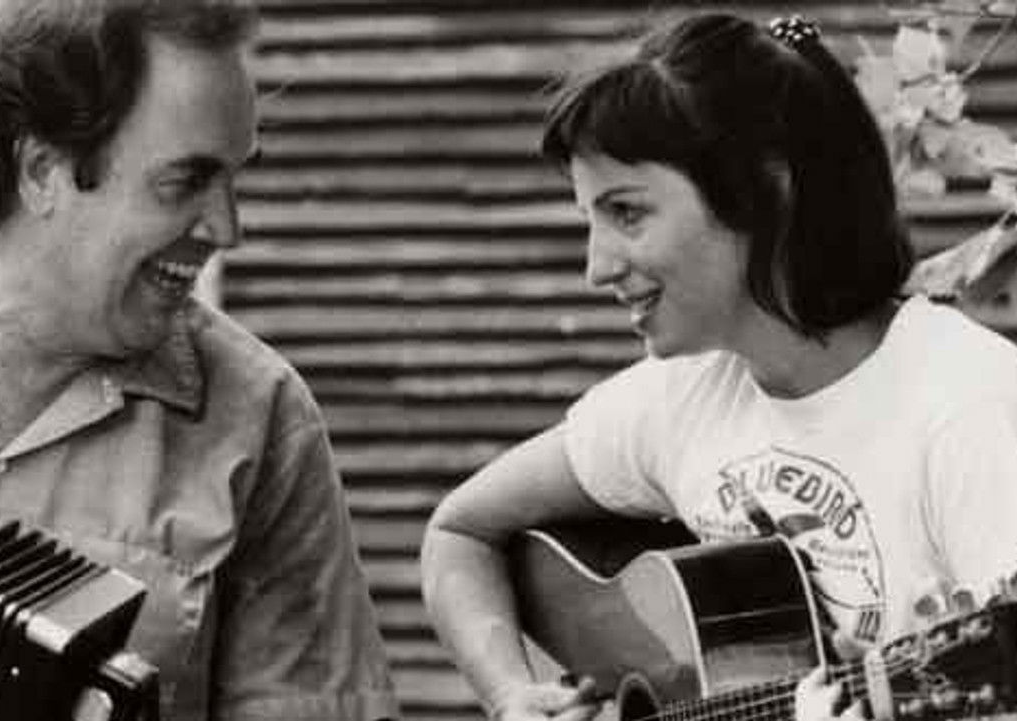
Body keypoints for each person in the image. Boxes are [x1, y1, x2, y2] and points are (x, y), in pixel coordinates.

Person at [0, 1, 401, 719]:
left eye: (234, 179)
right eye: (185, 181)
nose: (226, 227)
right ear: (42, 168)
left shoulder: (260, 416)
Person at [420, 12, 1017, 721]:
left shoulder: (972, 408)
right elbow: (460, 534)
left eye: (627, 212)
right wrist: (512, 694)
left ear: (766, 191)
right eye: (590, 219)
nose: (596, 267)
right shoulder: (682, 399)